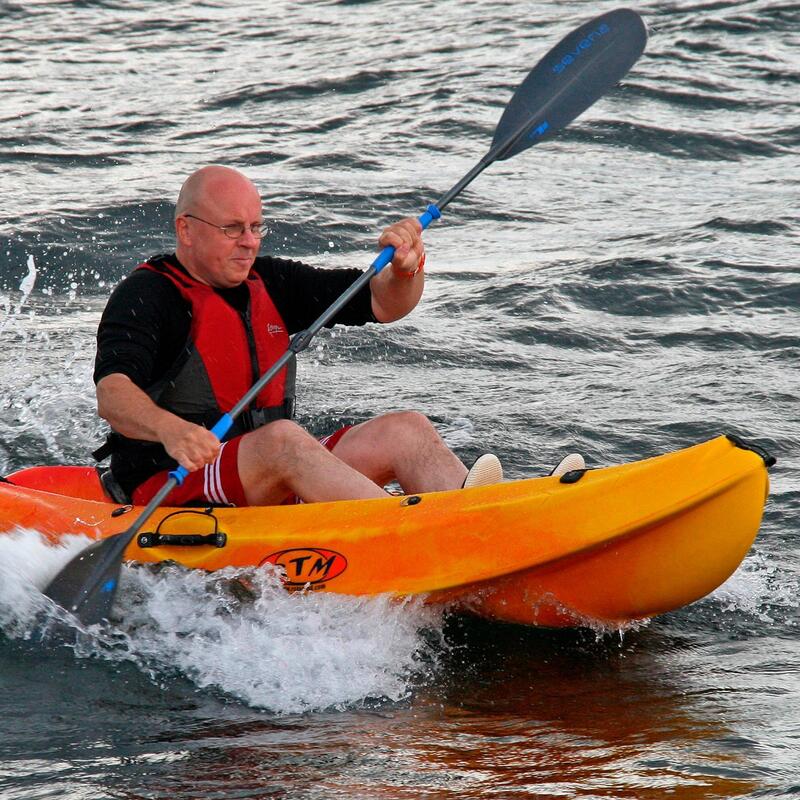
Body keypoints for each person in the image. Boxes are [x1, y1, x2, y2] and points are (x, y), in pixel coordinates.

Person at [92, 164, 504, 507]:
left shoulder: (271, 281)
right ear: (186, 230)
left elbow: (384, 305)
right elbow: (112, 394)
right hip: (172, 483)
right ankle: (411, 535)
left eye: (256, 227)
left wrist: (404, 270)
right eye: (233, 229)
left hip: (264, 469)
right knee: (284, 441)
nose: (249, 243)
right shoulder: (148, 295)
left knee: (407, 430)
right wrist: (170, 430)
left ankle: (484, 522)